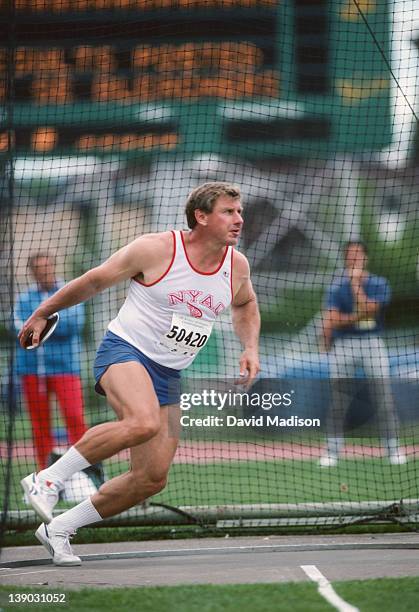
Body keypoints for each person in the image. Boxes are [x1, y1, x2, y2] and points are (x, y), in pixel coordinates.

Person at [19, 182, 261, 566]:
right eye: (228, 212)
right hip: (125, 351)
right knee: (143, 422)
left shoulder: (237, 265)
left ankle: (59, 528)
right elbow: (95, 279)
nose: (239, 219)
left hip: (169, 373)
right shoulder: (157, 249)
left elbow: (245, 305)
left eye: (239, 211)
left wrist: (250, 347)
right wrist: (43, 311)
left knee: (151, 478)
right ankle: (48, 478)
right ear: (201, 216)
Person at [319, 241, 406, 468]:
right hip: (344, 345)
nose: (354, 258)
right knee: (338, 399)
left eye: (358, 254)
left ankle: (392, 448)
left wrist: (356, 285)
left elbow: (370, 309)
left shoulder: (379, 283)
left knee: (384, 397)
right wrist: (349, 320)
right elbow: (332, 319)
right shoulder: (336, 287)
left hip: (372, 343)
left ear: (366, 258)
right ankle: (332, 451)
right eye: (350, 255)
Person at [15, 253, 87, 470]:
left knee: (75, 418)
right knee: (40, 426)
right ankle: (44, 473)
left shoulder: (69, 293)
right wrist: (48, 323)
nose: (43, 271)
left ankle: (84, 469)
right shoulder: (24, 299)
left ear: (53, 267)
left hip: (65, 369)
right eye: (38, 268)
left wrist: (40, 322)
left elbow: (73, 325)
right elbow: (20, 329)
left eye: (46, 267)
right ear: (32, 272)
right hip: (31, 371)